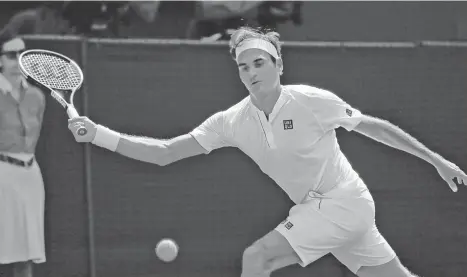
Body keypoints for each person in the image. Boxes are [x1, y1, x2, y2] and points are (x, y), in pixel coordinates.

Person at [68, 27, 466, 277]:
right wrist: (98, 135)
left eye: (259, 62)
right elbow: (165, 153)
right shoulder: (231, 121)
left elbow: (376, 127)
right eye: (243, 67)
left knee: (256, 259)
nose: (251, 72)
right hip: (325, 211)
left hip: (344, 201)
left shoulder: (311, 100)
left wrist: (437, 161)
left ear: (278, 65)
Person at [0, 32, 47, 277]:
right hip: (2, 176)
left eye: (22, 54)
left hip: (30, 177)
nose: (18, 60)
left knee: (27, 252)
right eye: (11, 55)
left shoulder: (37, 97)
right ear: (0, 60)